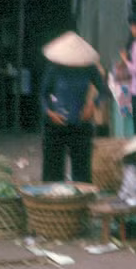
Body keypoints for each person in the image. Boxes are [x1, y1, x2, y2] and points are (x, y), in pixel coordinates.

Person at [40, 31, 106, 183]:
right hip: (56, 124)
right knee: (52, 174)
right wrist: (49, 113)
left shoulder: (88, 68)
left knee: (82, 174)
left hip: (81, 123)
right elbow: (43, 95)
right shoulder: (54, 68)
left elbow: (104, 90)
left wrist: (93, 105)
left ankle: (80, 202)